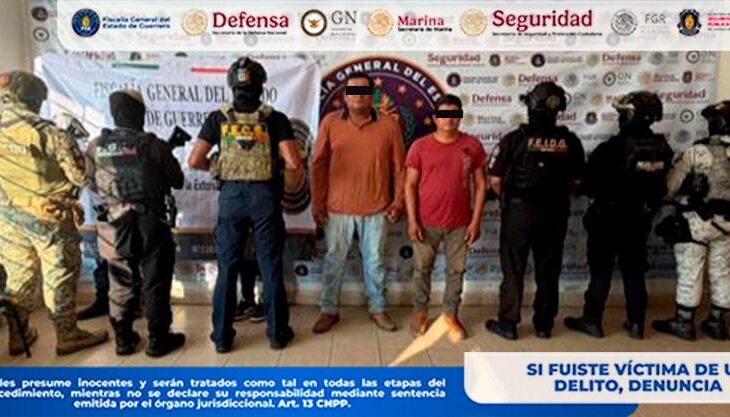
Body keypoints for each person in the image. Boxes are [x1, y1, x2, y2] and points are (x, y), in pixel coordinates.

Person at [188, 57, 303, 352]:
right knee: (270, 266)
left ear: (231, 84)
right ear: (262, 85)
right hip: (265, 197)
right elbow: (293, 162)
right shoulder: (275, 119)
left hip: (231, 198)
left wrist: (218, 166)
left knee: (227, 267)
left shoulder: (218, 118)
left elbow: (194, 160)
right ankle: (277, 334)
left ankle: (222, 338)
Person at [0, 70, 108, 355]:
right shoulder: (51, 134)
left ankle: (18, 336)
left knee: (18, 277)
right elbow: (80, 177)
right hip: (49, 218)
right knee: (60, 274)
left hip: (9, 218)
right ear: (35, 99)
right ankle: (67, 334)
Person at [564, 91, 673, 340]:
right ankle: (636, 324)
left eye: (622, 113)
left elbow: (588, 185)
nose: (619, 117)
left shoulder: (610, 149)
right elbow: (661, 189)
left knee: (601, 272)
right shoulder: (663, 149)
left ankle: (592, 320)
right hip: (638, 221)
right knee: (634, 273)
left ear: (630, 117)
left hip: (607, 220)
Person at [86, 89, 185, 356]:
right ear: (140, 113)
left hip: (113, 224)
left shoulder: (96, 145)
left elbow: (91, 183)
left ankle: (123, 339)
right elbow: (177, 180)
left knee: (119, 281)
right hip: (151, 221)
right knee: (155, 280)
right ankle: (158, 339)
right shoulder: (153, 145)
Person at [484, 81, 585, 340]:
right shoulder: (570, 142)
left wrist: (513, 200)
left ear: (530, 105)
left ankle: (508, 323)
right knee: (548, 270)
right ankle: (543, 325)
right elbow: (577, 181)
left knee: (513, 269)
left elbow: (494, 179)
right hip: (555, 213)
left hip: (519, 213)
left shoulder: (514, 139)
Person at [310, 72, 405, 334]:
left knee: (374, 262)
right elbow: (318, 165)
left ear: (372, 95)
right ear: (344, 96)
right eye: (353, 91)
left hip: (377, 207)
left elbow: (400, 168)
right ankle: (328, 310)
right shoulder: (330, 122)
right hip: (336, 208)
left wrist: (398, 202)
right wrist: (317, 202)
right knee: (333, 261)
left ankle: (378, 309)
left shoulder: (389, 125)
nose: (358, 96)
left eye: (364, 91)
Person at [405, 94, 487, 341]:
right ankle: (420, 312)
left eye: (454, 115)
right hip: (425, 221)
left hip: (460, 223)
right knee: (422, 269)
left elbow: (481, 185)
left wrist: (476, 220)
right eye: (444, 115)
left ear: (460, 117)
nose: (449, 120)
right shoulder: (420, 146)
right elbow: (409, 185)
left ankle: (451, 314)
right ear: (435, 118)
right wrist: (412, 220)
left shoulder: (472, 146)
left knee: (456, 271)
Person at [652, 101, 730, 341]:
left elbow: (670, 187)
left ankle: (684, 322)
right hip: (728, 224)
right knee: (722, 271)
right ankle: (718, 323)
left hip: (699, 221)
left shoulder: (698, 152)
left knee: (690, 271)